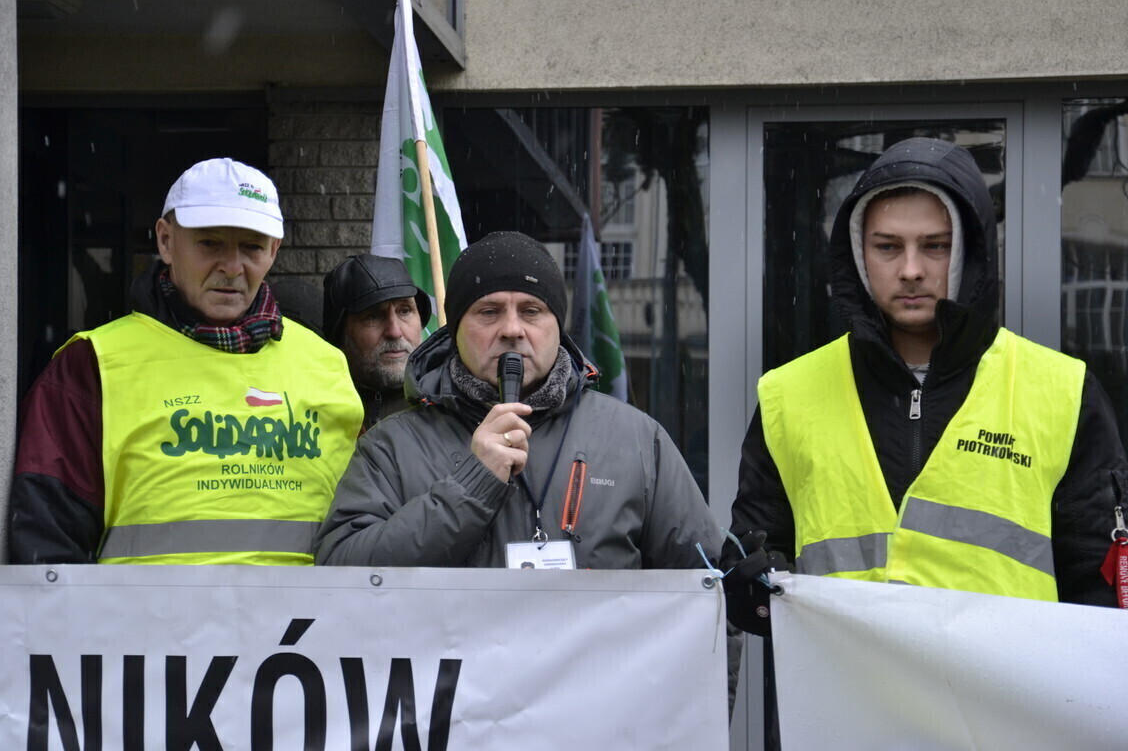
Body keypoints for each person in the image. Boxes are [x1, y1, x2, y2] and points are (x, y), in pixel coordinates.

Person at [728, 137, 1128, 746]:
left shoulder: (1062, 392)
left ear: (968, 251)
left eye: (934, 246)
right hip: (841, 724)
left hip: (1003, 728)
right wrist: (755, 588)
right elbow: (748, 573)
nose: (911, 269)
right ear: (859, 255)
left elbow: (1101, 599)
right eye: (888, 246)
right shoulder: (790, 396)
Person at [9, 158, 363, 565]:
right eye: (210, 243)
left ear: (274, 250)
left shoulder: (327, 363)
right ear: (165, 241)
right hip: (142, 626)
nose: (232, 267)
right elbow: (48, 543)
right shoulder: (91, 364)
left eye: (251, 247)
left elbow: (363, 526)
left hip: (306, 625)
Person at [315, 231, 720, 571]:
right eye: (489, 312)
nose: (512, 329)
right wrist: (471, 488)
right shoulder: (392, 447)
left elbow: (707, 591)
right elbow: (341, 573)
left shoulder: (635, 439)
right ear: (454, 332)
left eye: (532, 311)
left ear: (557, 328)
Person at [323, 253, 430, 431]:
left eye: (405, 310)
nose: (395, 332)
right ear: (340, 332)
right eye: (373, 316)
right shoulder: (313, 409)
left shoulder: (452, 405)